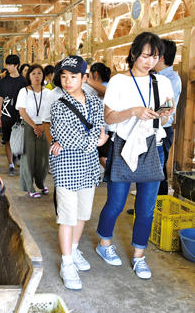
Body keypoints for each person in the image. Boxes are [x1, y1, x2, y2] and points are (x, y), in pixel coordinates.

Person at [96, 32, 175, 280]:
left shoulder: (162, 82)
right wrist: (133, 111)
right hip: (123, 146)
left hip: (153, 146)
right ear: (133, 54)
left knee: (146, 208)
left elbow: (165, 117)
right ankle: (104, 244)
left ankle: (139, 256)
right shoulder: (119, 81)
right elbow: (108, 118)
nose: (150, 61)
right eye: (145, 56)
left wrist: (162, 114)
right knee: (116, 203)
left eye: (155, 57)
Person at [49, 55, 106, 290]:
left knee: (82, 215)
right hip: (66, 168)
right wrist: (97, 140)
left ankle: (73, 250)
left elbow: (101, 128)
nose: (67, 81)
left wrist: (95, 139)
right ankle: (67, 263)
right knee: (67, 217)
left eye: (73, 76)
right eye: (63, 76)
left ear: (84, 77)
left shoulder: (96, 104)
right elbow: (68, 138)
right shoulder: (58, 105)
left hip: (89, 166)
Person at [15, 64, 51, 197]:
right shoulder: (23, 91)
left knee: (43, 158)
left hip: (45, 125)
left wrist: (42, 126)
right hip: (28, 126)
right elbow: (22, 111)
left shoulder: (48, 92)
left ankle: (41, 183)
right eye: (33, 73)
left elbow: (51, 111)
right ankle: (29, 187)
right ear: (29, 76)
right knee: (28, 157)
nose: (37, 76)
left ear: (43, 76)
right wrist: (35, 126)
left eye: (39, 73)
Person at [153, 39, 182, 195]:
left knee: (159, 172)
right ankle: (148, 208)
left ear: (161, 57)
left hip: (162, 129)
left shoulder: (172, 79)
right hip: (153, 127)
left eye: (154, 53)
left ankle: (158, 208)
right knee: (150, 172)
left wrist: (145, 112)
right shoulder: (154, 76)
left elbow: (167, 107)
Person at [0, 55, 27, 177]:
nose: (8, 67)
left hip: (20, 115)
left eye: (10, 65)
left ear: (16, 66)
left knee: (21, 139)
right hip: (6, 115)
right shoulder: (3, 81)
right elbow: (0, 99)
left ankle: (19, 160)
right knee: (8, 140)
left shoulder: (24, 81)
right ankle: (11, 165)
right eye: (7, 64)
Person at [88, 63, 112, 178]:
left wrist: (86, 80)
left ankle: (112, 175)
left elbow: (107, 92)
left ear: (95, 74)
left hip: (104, 129)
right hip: (101, 128)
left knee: (103, 155)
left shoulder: (106, 86)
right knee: (101, 155)